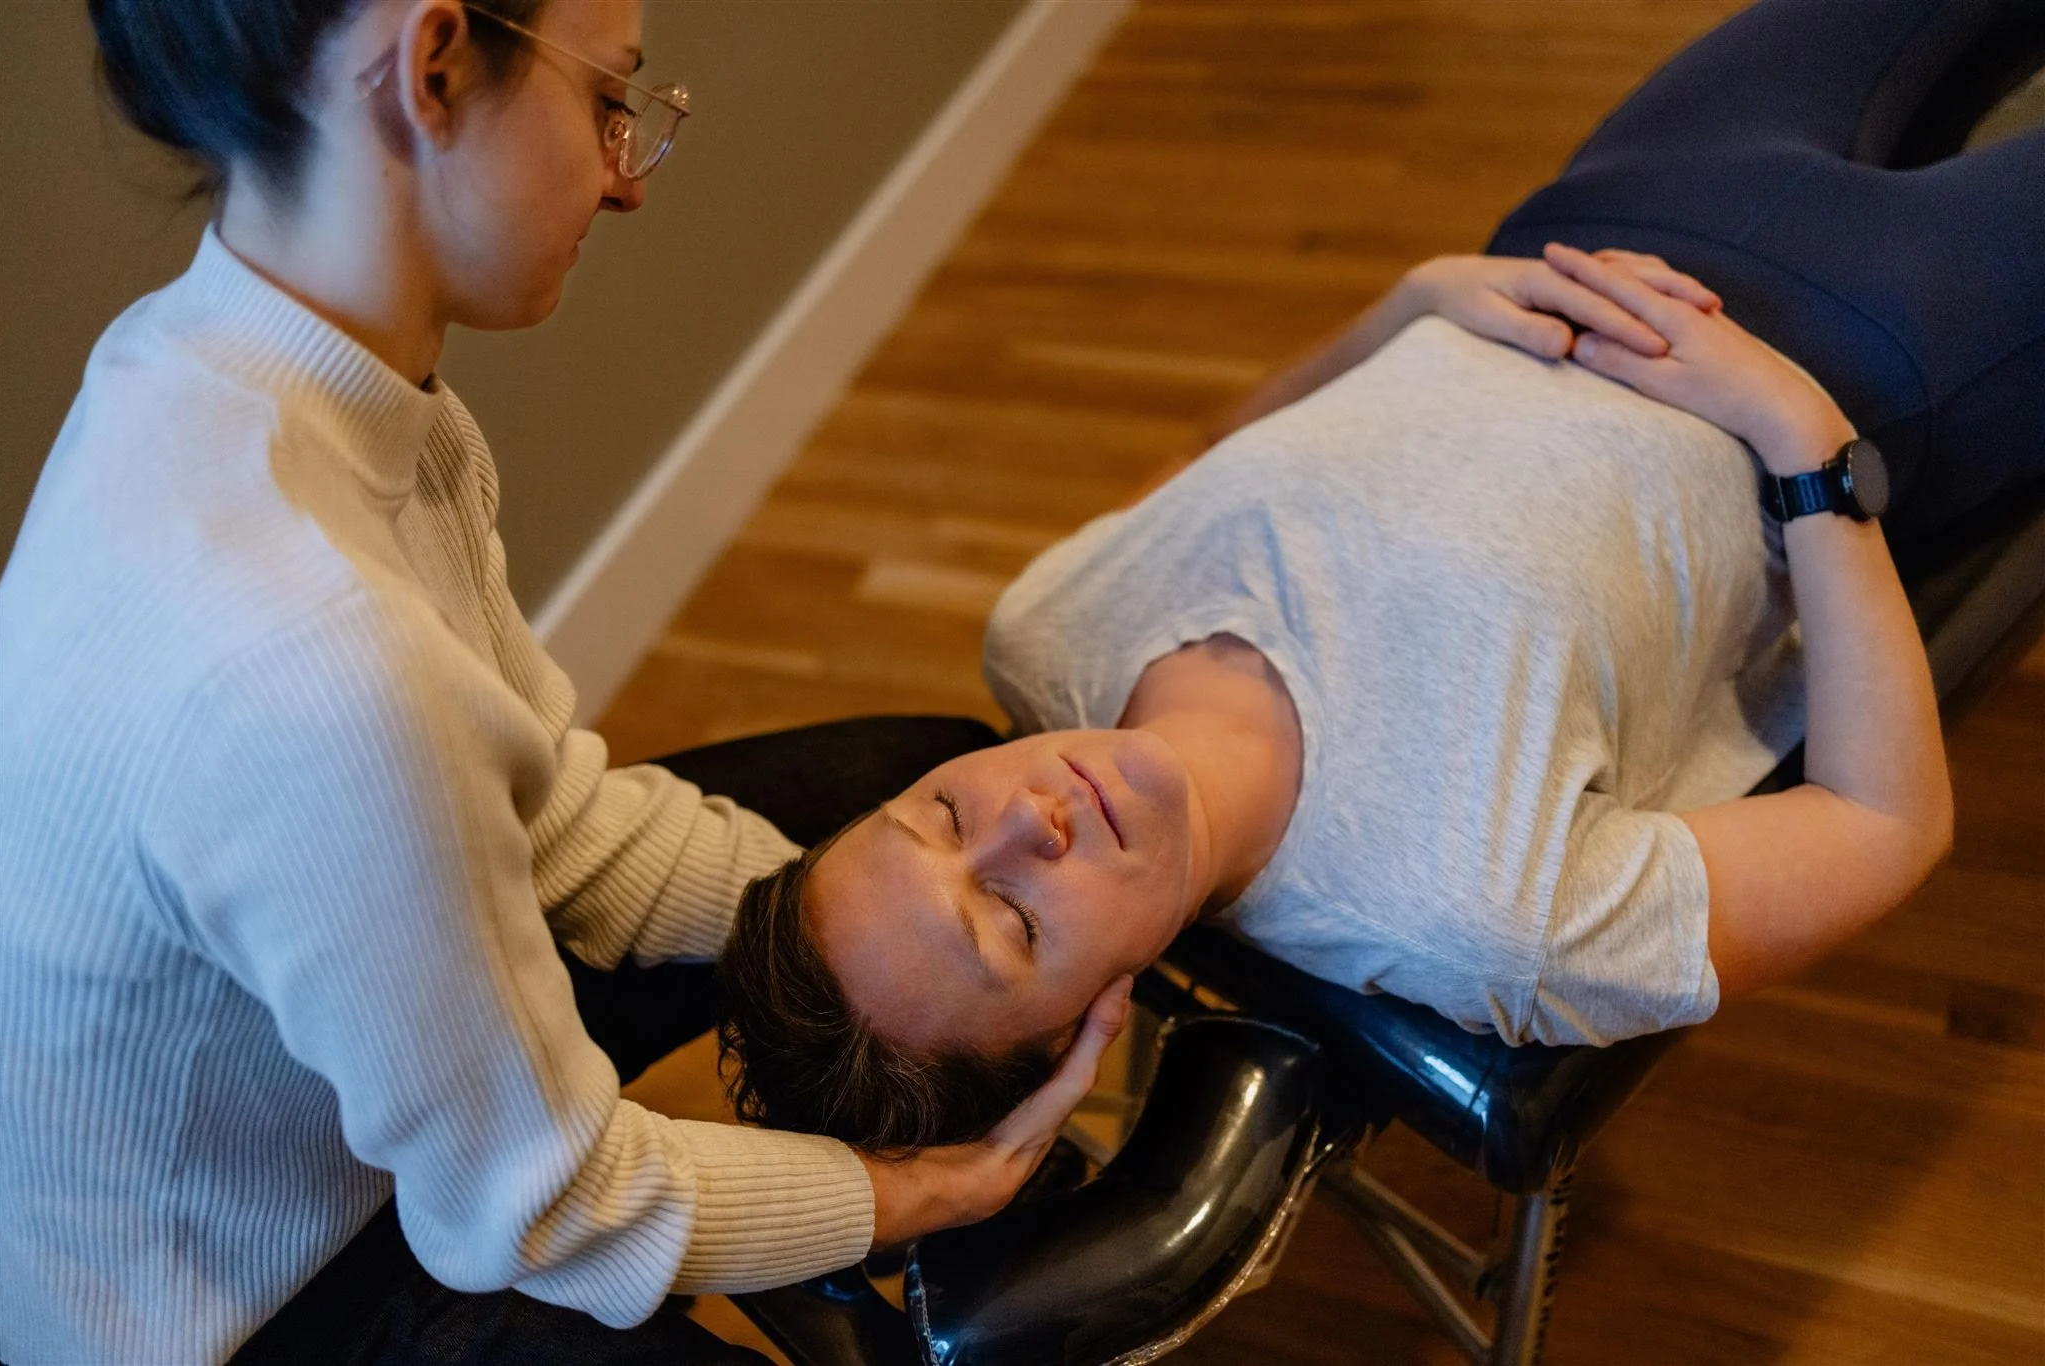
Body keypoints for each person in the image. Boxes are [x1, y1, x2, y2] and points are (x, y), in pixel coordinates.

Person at [0, 2, 1129, 1363]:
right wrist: (917, 1191)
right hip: (253, 1302)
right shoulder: (307, 660)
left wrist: (882, 923)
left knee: (904, 781)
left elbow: (556, 827)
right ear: (429, 65)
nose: (625, 175)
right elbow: (543, 1206)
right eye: (610, 99)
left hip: (366, 1118)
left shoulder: (276, 383)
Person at [714, 0, 2045, 1154]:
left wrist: (1403, 309)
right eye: (1009, 919)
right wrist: (1803, 441)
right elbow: (1885, 825)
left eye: (941, 816)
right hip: (1885, 350)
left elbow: (1210, 454)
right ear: (1084, 1031)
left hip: (1619, 201)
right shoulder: (1476, 921)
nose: (1024, 823)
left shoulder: (1044, 634)